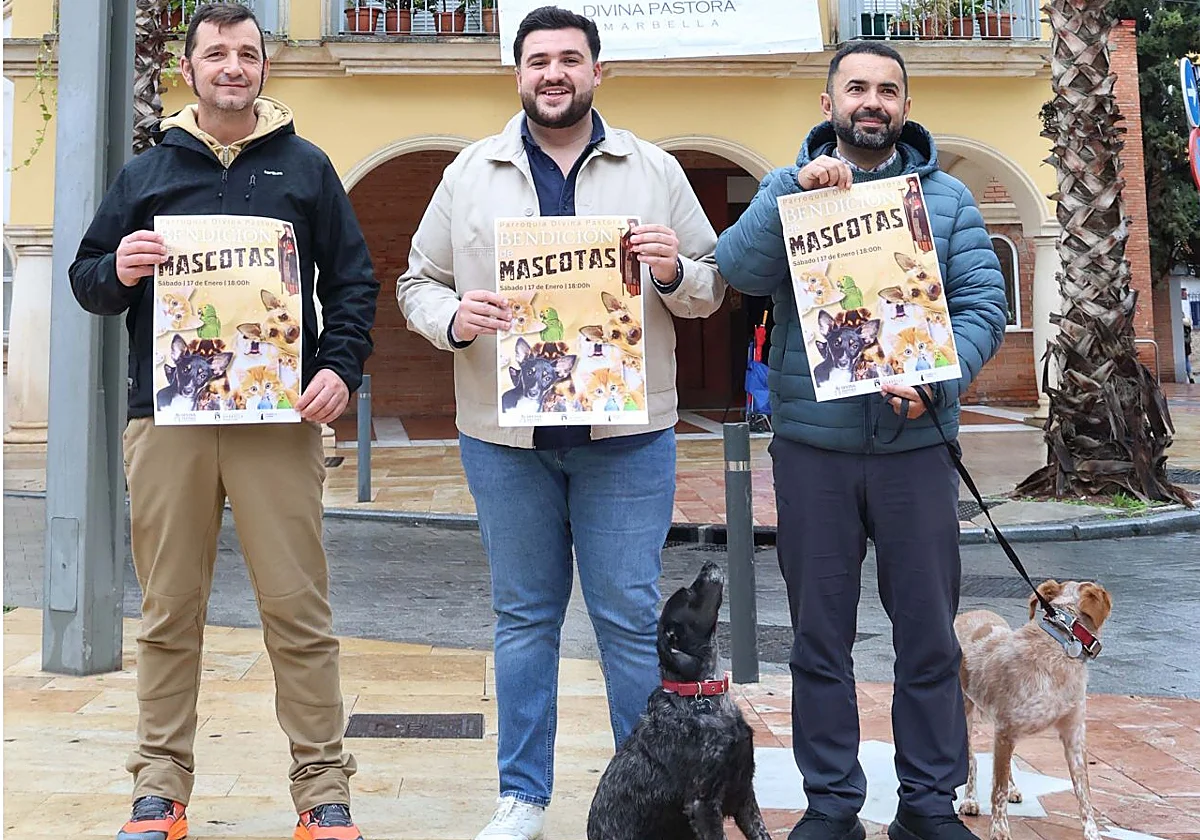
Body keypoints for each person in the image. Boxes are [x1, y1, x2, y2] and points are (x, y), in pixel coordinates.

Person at [396, 7, 724, 840]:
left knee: (628, 620)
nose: (554, 73)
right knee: (523, 619)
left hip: (627, 440)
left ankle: (646, 796)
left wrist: (673, 271)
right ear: (518, 73)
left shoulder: (654, 169)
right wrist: (453, 318)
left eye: (570, 59)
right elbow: (416, 282)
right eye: (538, 59)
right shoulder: (470, 172)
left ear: (596, 71)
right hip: (505, 441)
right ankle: (523, 797)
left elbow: (711, 284)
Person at [68, 5, 378, 840]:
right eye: (216, 54)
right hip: (167, 419)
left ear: (264, 68)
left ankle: (322, 793)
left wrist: (338, 368)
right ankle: (159, 790)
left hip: (277, 419)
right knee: (168, 612)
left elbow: (354, 282)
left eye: (247, 52)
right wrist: (119, 267)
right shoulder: (146, 174)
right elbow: (87, 279)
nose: (233, 66)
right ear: (190, 70)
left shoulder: (306, 168)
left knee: (299, 611)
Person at [715, 41, 1007, 840]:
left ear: (904, 106)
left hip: (917, 448)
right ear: (829, 103)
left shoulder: (946, 200)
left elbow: (983, 305)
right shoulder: (789, 188)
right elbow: (737, 270)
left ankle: (928, 805)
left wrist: (939, 379)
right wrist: (789, 194)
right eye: (856, 88)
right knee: (819, 639)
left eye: (887, 90)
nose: (872, 101)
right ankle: (833, 805)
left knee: (928, 637)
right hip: (814, 450)